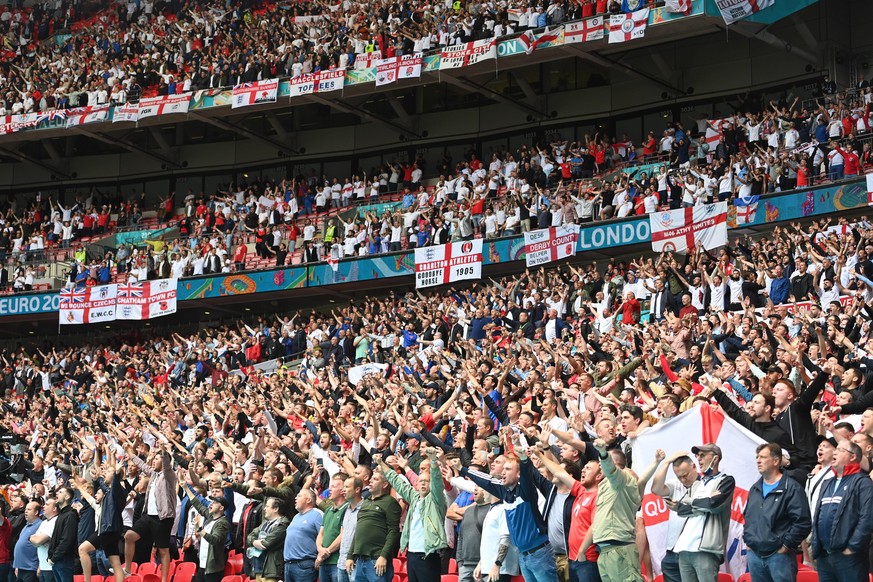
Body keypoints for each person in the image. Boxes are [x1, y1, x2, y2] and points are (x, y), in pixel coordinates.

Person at [455, 432, 558, 582]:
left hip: (539, 552)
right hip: (523, 555)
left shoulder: (526, 491)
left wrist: (524, 459)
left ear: (518, 475)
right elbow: (487, 481)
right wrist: (463, 469)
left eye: (508, 469)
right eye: (503, 469)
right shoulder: (504, 492)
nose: (503, 472)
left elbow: (528, 475)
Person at [743, 443, 811, 582]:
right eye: (757, 457)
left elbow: (802, 522)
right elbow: (749, 518)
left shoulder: (792, 488)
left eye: (763, 457)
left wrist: (785, 546)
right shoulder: (755, 488)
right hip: (755, 554)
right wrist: (749, 541)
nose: (758, 460)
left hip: (779, 557)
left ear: (776, 461)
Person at [377, 447, 446, 582]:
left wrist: (433, 461)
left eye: (426, 481)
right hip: (412, 554)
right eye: (420, 481)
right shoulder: (414, 497)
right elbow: (397, 482)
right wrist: (381, 463)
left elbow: (437, 481)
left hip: (428, 555)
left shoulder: (436, 499)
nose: (423, 484)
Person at [670, 444, 734, 582]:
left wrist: (690, 500)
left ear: (715, 458)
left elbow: (714, 505)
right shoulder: (696, 484)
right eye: (697, 455)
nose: (698, 459)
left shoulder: (726, 480)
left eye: (703, 455)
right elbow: (681, 509)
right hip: (684, 548)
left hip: (706, 550)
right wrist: (704, 502)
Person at [811, 441, 873, 582]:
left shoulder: (863, 483)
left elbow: (867, 518)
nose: (835, 452)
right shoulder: (827, 482)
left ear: (852, 457)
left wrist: (852, 548)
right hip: (824, 556)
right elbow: (817, 515)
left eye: (840, 450)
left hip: (849, 558)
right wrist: (817, 547)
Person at [581, 439, 642, 582]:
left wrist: (603, 453)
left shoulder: (621, 479)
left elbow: (611, 469)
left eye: (602, 463)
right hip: (605, 550)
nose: (600, 467)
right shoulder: (604, 486)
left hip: (619, 549)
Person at [123, 444, 178, 582]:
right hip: (148, 515)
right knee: (129, 536)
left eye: (157, 458)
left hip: (163, 517)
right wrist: (128, 450)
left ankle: (164, 579)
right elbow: (141, 464)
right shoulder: (153, 474)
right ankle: (128, 570)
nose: (154, 460)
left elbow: (166, 465)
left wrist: (164, 451)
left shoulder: (169, 475)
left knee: (163, 550)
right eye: (154, 458)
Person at [75, 453, 126, 582]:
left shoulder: (117, 490)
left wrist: (116, 473)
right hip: (112, 530)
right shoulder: (109, 492)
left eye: (108, 472)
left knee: (82, 549)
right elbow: (104, 486)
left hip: (107, 529)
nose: (105, 473)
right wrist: (98, 478)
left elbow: (112, 485)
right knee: (115, 563)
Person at [650, 450, 698, 582]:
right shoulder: (676, 484)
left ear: (694, 466)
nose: (683, 479)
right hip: (673, 549)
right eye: (679, 477)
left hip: (694, 549)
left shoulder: (706, 484)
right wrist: (666, 462)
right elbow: (655, 489)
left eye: (685, 475)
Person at [347, 470, 401, 582]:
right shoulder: (365, 502)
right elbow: (358, 531)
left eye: (375, 479)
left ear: (385, 484)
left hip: (376, 561)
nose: (370, 481)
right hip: (360, 560)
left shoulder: (390, 502)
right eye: (371, 478)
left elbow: (393, 531)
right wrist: (350, 556)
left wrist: (383, 556)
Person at [182, 483, 230, 582]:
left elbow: (215, 540)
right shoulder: (210, 517)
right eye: (211, 502)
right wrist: (186, 487)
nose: (211, 504)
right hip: (203, 564)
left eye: (214, 503)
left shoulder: (222, 523)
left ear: (221, 508)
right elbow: (197, 503)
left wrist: (200, 530)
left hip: (213, 568)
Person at [283, 489, 323, 582]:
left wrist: (320, 557)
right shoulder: (296, 516)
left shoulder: (317, 514)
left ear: (308, 500)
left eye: (299, 496)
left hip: (305, 564)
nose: (295, 498)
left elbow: (323, 535)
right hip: (289, 564)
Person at [247, 497, 290, 582]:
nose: (264, 509)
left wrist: (254, 541)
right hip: (258, 568)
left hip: (271, 570)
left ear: (276, 509)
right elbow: (250, 536)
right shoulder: (265, 523)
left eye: (267, 506)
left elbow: (267, 543)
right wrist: (254, 541)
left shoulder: (282, 524)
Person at [46, 488, 78, 582]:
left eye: (60, 492)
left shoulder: (70, 515)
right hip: (57, 560)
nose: (57, 493)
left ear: (67, 497)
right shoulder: (61, 515)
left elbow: (66, 539)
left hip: (64, 560)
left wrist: (54, 557)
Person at [336, 478, 364, 582]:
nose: (343, 490)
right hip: (341, 561)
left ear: (357, 490)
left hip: (356, 562)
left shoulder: (365, 509)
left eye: (347, 487)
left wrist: (352, 557)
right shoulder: (345, 509)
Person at [12, 502, 42, 582]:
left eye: (29, 509)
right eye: (25, 509)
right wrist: (17, 566)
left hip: (31, 568)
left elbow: (42, 546)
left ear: (36, 512)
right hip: (21, 568)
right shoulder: (26, 526)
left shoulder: (40, 525)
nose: (26, 511)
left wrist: (40, 565)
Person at [29, 498, 56, 582]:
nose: (43, 506)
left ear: (54, 508)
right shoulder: (44, 522)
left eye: (47, 505)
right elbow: (33, 540)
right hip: (43, 566)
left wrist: (36, 540)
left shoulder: (55, 521)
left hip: (51, 567)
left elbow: (37, 541)